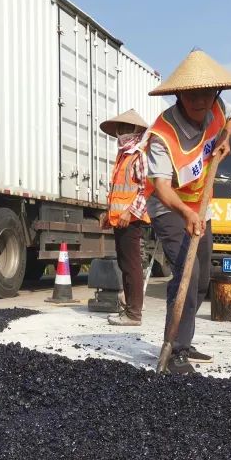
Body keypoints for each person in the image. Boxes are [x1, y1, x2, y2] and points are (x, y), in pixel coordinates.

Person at [147, 49, 231, 376]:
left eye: (206, 94)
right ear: (179, 95)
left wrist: (226, 139)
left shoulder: (217, 106)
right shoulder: (162, 135)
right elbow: (162, 187)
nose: (200, 102)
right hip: (169, 207)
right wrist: (186, 214)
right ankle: (174, 349)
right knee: (185, 277)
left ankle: (184, 341)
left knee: (202, 278)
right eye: (192, 96)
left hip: (201, 205)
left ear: (214, 93)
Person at [101, 109, 153, 327]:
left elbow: (146, 189)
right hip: (120, 220)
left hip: (131, 220)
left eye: (126, 128)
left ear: (135, 131)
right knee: (125, 264)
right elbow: (117, 190)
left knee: (131, 266)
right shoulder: (123, 157)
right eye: (120, 129)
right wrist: (109, 214)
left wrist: (129, 212)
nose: (122, 132)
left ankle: (134, 313)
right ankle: (130, 309)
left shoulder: (139, 156)